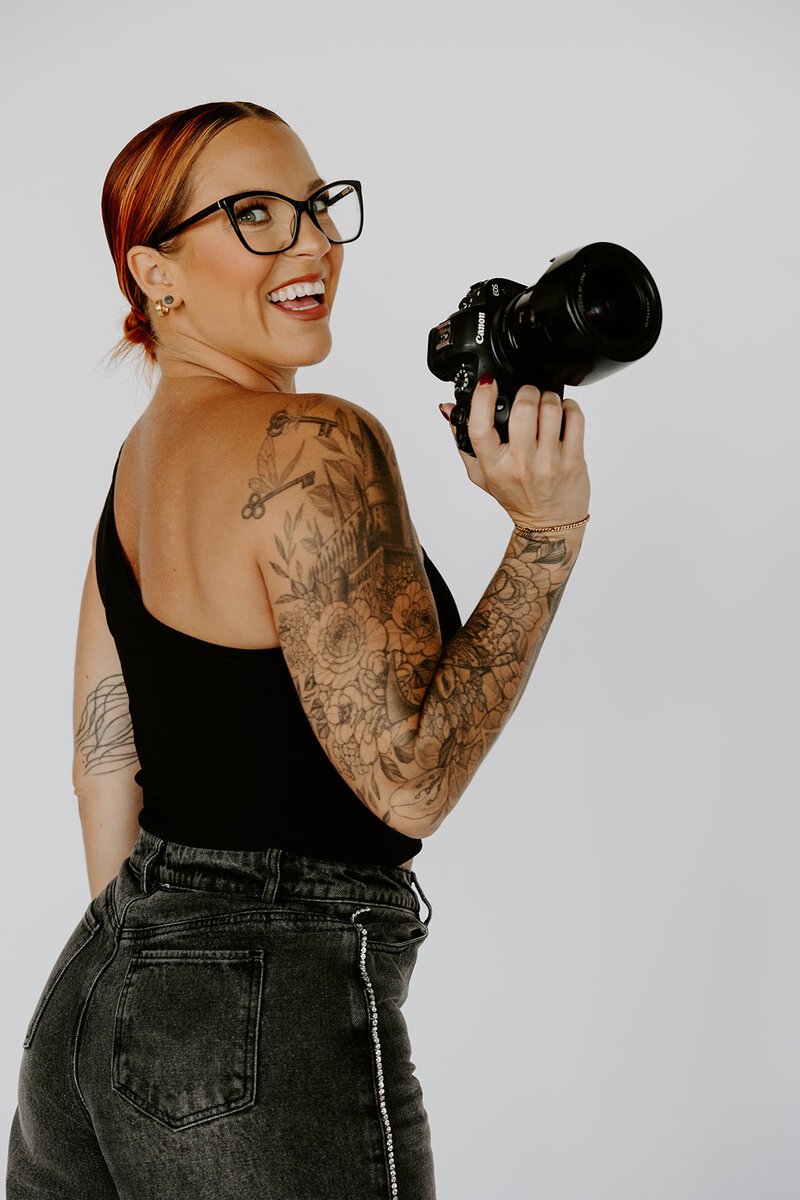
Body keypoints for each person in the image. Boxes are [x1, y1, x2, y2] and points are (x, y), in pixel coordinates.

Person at [6, 100, 590, 1199]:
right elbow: (409, 786)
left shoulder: (138, 466)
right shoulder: (312, 438)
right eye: (256, 215)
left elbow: (101, 762)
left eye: (318, 208)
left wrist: (151, 977)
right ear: (155, 273)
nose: (313, 241)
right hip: (264, 996)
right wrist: (545, 536)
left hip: (95, 997)